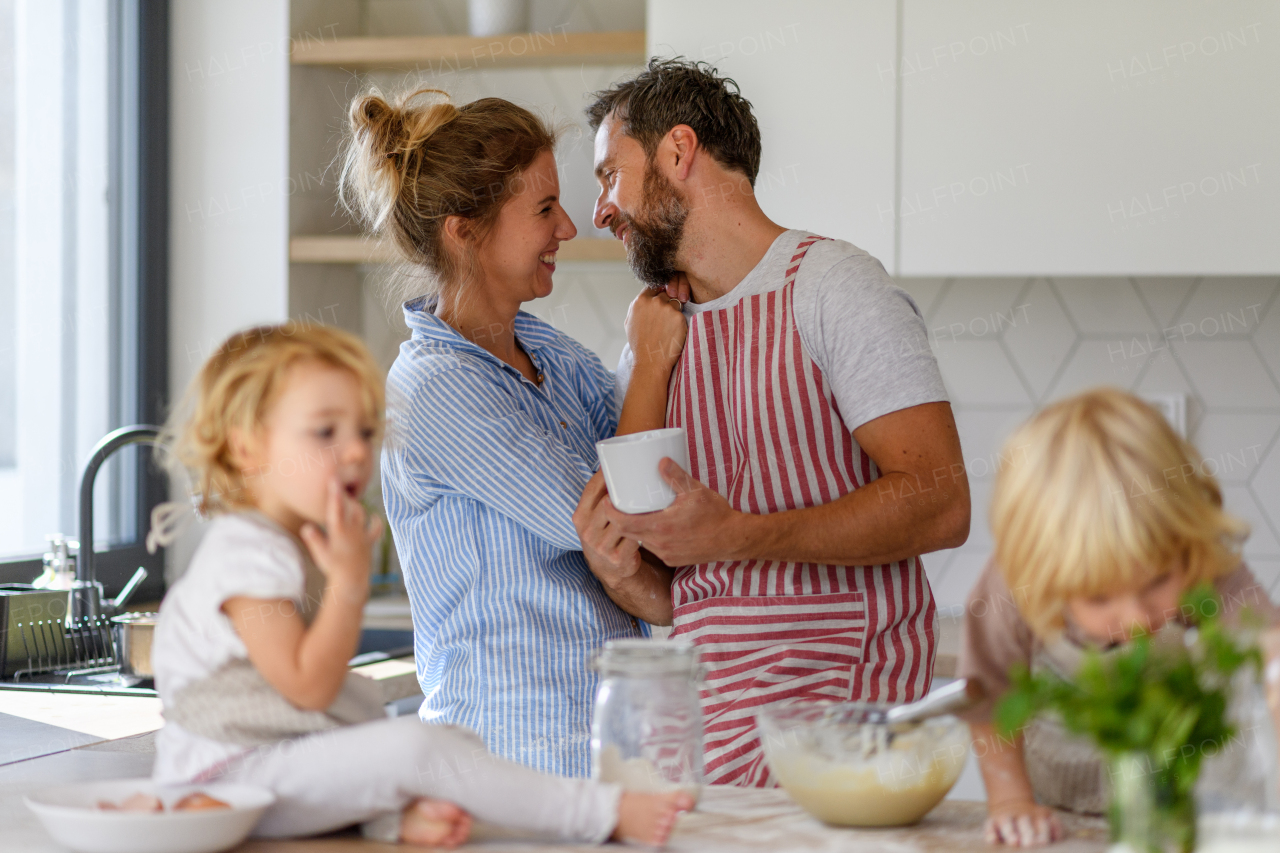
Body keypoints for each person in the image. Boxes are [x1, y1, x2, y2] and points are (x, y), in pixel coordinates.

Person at [573, 58, 970, 787]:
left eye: (608, 175)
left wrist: (740, 533)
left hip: (844, 748)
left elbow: (940, 501)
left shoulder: (832, 288)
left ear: (678, 152)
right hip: (712, 754)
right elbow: (689, 590)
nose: (599, 210)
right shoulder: (654, 336)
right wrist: (621, 573)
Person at [148, 323, 692, 845]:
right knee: (415, 746)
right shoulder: (249, 548)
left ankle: (392, 821)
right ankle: (602, 813)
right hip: (223, 780)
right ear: (248, 449)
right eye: (324, 431)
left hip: (265, 775)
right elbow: (309, 688)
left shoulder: (283, 541)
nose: (357, 450)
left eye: (364, 430)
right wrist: (349, 582)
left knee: (445, 743)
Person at [339, 87, 688, 776]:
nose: (568, 228)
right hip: (508, 763)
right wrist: (649, 357)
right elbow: (620, 515)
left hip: (594, 757)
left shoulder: (550, 356)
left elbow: (645, 477)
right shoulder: (433, 390)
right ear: (463, 230)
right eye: (543, 209)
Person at [960, 387, 1280, 846]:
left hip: (1183, 812)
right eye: (1098, 597)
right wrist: (1010, 800)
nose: (1134, 618)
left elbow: (1272, 650)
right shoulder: (1014, 587)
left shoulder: (1198, 562)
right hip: (1064, 818)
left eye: (1156, 583)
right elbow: (986, 697)